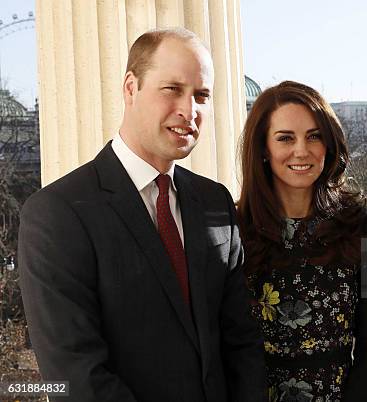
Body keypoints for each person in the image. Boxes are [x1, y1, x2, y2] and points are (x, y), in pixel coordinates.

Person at [18, 27, 265, 402]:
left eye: (201, 95)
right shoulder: (57, 214)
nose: (189, 110)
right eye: (172, 89)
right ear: (130, 88)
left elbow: (241, 344)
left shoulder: (215, 202)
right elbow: (75, 373)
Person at [237, 81, 367, 401]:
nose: (301, 151)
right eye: (285, 138)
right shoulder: (234, 230)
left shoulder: (359, 225)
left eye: (314, 136)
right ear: (263, 148)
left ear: (329, 144)